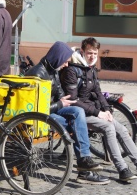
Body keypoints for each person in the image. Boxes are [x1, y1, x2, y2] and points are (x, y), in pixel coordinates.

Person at [61, 37, 137, 182]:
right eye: (90, 53)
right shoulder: (72, 70)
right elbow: (73, 101)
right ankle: (122, 169)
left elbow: (98, 92)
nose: (93, 57)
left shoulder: (90, 68)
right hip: (78, 114)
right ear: (82, 51)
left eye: (95, 54)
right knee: (108, 128)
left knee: (122, 129)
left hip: (93, 111)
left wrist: (107, 110)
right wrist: (99, 113)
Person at [25, 41, 110, 185]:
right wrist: (60, 103)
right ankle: (84, 169)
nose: (66, 65)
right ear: (57, 58)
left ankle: (84, 161)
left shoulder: (53, 70)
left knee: (78, 111)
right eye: (64, 61)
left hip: (53, 110)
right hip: (40, 116)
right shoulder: (37, 75)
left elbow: (59, 93)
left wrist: (64, 99)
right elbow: (35, 109)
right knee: (77, 122)